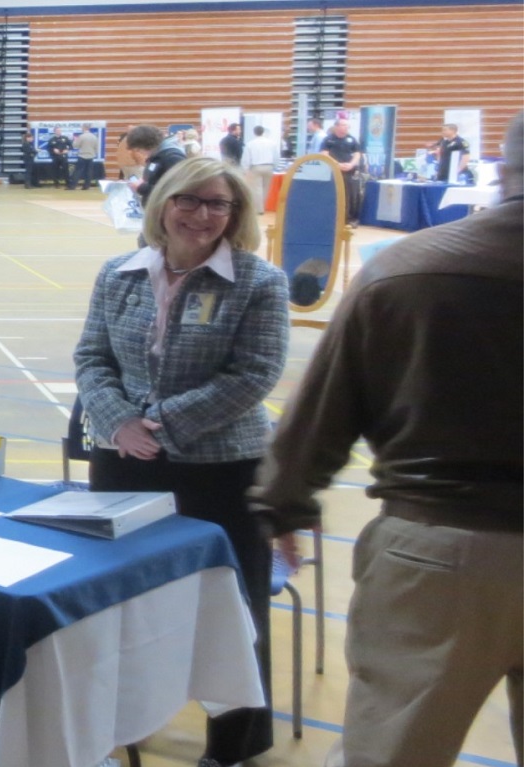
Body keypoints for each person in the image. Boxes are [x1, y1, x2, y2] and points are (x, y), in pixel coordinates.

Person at [250, 114, 523, 767]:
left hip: (437, 555)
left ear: (502, 167)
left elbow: (320, 409)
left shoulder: (407, 268)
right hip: (442, 548)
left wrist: (285, 503)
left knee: (391, 753)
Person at [73, 156, 289, 767]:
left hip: (224, 469)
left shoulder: (258, 281)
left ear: (236, 214)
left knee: (236, 609)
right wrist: (118, 421)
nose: (202, 214)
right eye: (189, 200)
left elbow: (255, 375)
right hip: (124, 462)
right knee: (121, 600)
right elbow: (92, 357)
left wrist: (162, 425)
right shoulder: (119, 273)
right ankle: (119, 728)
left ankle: (235, 745)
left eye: (219, 204)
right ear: (162, 204)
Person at [125, 124, 190, 205]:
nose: (139, 152)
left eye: (138, 149)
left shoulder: (172, 157)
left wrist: (142, 187)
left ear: (145, 144)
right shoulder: (157, 156)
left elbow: (178, 188)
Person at [323, 121, 363, 224]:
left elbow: (357, 154)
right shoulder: (328, 140)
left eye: (347, 125)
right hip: (334, 172)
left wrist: (351, 164)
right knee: (336, 194)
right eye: (344, 125)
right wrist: (337, 164)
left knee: (351, 195)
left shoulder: (352, 139)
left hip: (350, 172)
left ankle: (351, 219)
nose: (346, 127)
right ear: (337, 127)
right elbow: (324, 154)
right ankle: (335, 218)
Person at [243, 125, 279, 194]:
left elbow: (246, 158)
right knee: (267, 189)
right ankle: (265, 204)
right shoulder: (272, 143)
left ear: (254, 132)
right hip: (269, 166)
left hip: (256, 167)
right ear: (263, 132)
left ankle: (258, 204)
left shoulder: (250, 144)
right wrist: (275, 166)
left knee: (256, 189)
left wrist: (245, 169)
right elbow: (276, 156)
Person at [73, 124, 102, 190]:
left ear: (84, 128)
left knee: (77, 171)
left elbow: (75, 145)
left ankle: (73, 186)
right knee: (89, 172)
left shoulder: (81, 136)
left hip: (82, 155)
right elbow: (96, 147)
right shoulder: (94, 137)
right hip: (90, 156)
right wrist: (94, 153)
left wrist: (75, 140)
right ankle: (86, 186)